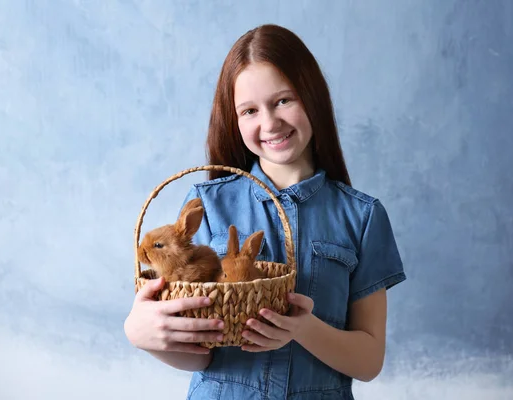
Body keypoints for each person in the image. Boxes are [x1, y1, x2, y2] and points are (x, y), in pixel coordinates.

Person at [124, 23, 406, 400]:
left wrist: (302, 329)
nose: (269, 123)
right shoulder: (207, 203)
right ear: (234, 119)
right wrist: (145, 335)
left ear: (312, 96)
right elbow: (200, 356)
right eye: (250, 110)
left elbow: (369, 360)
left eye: (283, 101)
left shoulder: (362, 216)